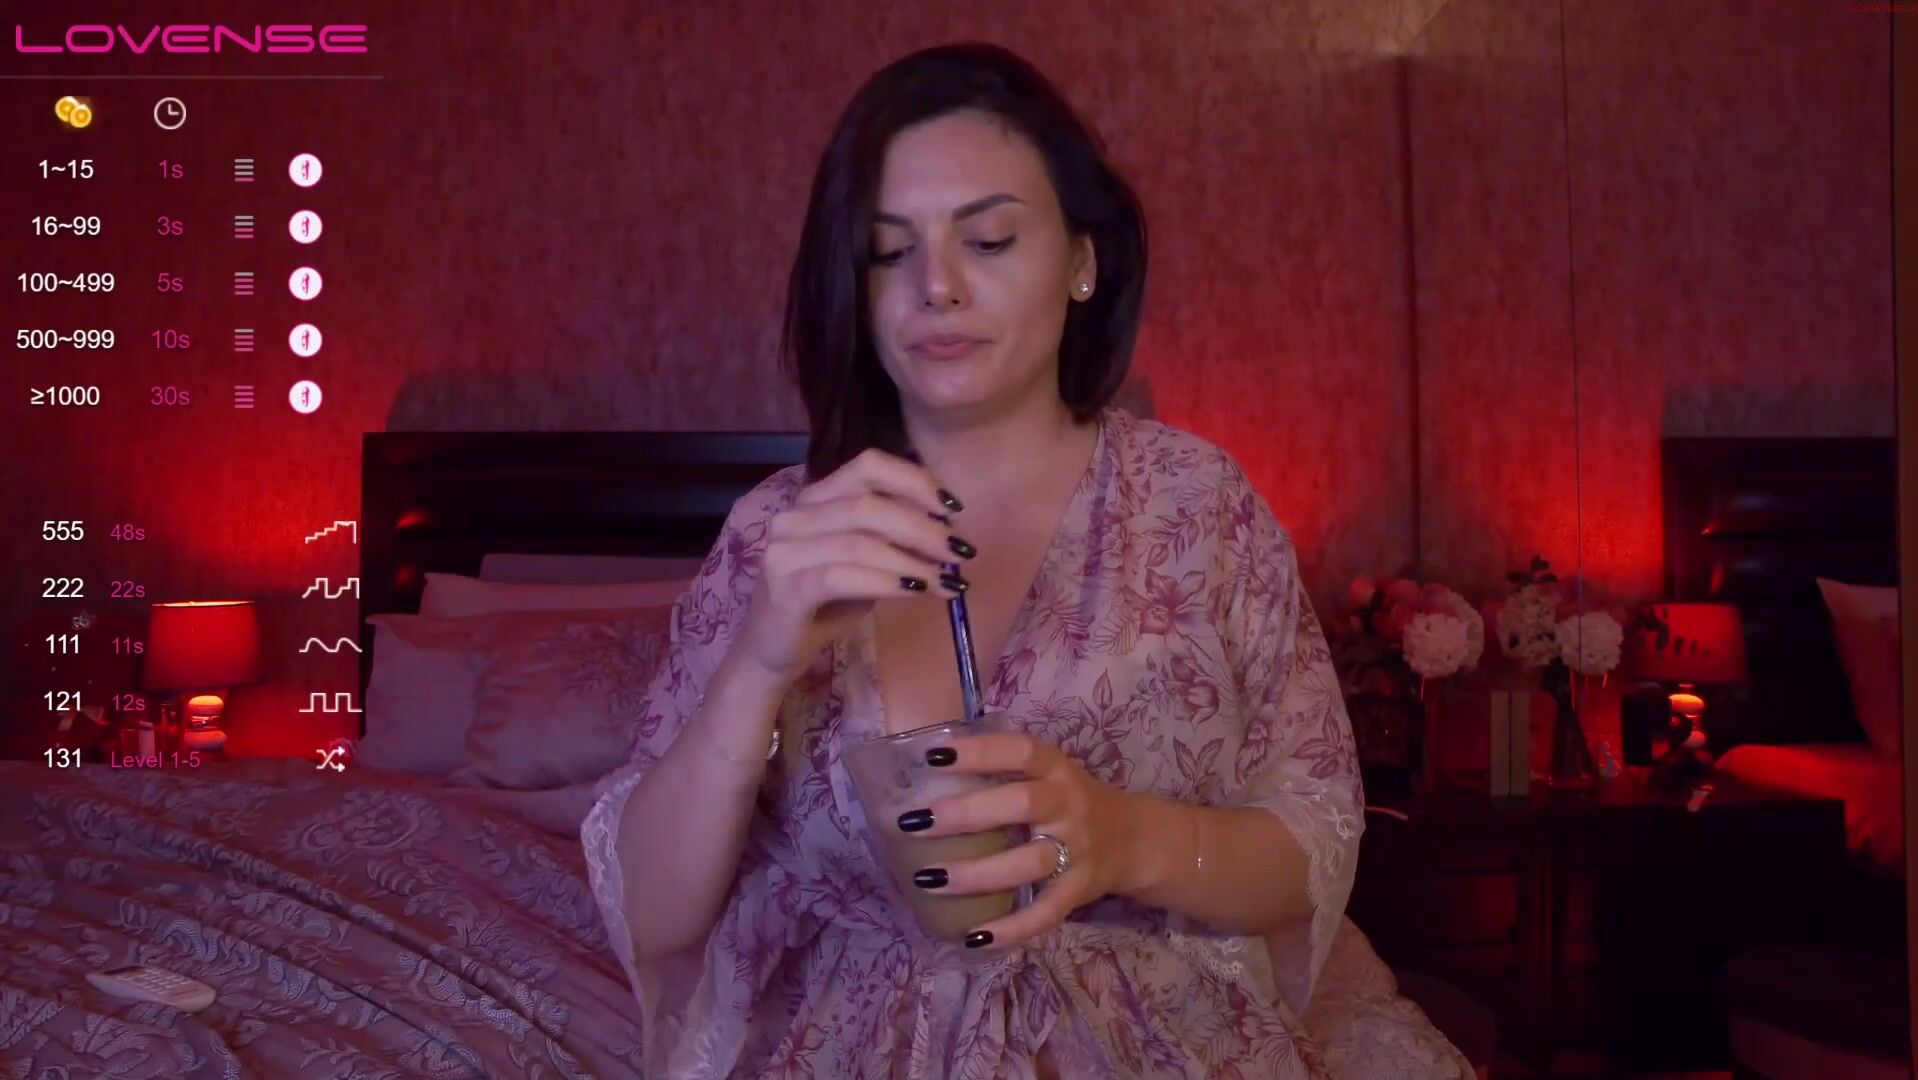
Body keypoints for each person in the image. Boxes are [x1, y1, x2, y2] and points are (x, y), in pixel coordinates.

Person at [582, 41, 1474, 1079]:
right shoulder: (778, 533)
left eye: (990, 239)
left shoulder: (1197, 505)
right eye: (887, 251)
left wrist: (1122, 838)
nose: (936, 286)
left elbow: (1312, 839)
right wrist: (759, 659)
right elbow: (651, 912)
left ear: (1082, 261)